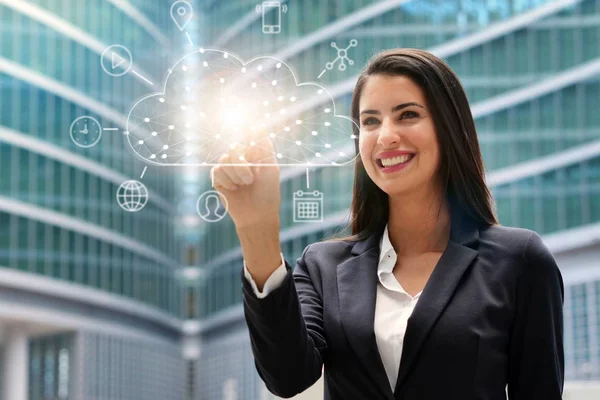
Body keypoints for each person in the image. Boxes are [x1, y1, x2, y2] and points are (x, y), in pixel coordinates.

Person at [210, 48, 564, 400]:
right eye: (370, 121)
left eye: (407, 114)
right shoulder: (324, 266)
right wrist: (256, 226)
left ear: (449, 127)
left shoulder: (519, 262)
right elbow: (287, 377)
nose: (385, 136)